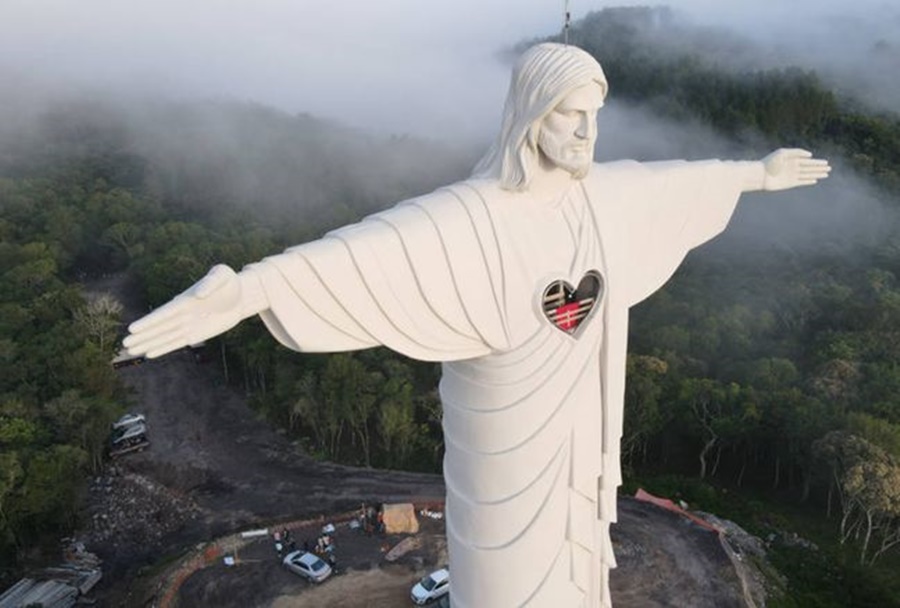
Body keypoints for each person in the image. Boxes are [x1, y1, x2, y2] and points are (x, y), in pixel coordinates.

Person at [123, 43, 830, 607]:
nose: (586, 132)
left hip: (578, 436)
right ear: (530, 115)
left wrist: (755, 173)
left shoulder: (601, 199)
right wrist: (250, 289)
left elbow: (672, 182)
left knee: (574, 569)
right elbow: (368, 251)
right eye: (568, 115)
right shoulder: (472, 214)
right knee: (500, 576)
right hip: (500, 443)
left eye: (594, 115)